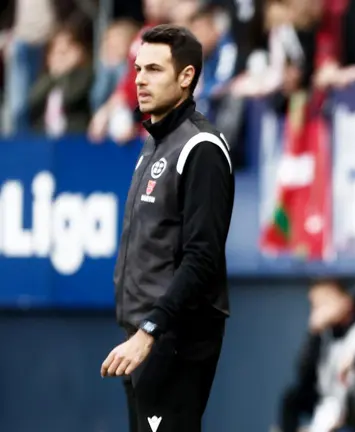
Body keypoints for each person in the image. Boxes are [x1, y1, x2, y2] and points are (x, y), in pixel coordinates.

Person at [99, 24, 236, 432]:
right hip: (145, 339)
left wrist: (150, 331)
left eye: (155, 69)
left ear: (186, 76)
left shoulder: (202, 147)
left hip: (172, 338)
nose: (140, 78)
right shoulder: (154, 144)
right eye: (138, 68)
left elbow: (202, 258)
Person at [277, 279, 355, 432]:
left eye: (324, 302)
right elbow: (305, 379)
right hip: (330, 402)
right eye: (315, 305)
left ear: (346, 301)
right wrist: (313, 335)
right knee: (291, 398)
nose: (319, 311)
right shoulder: (325, 335)